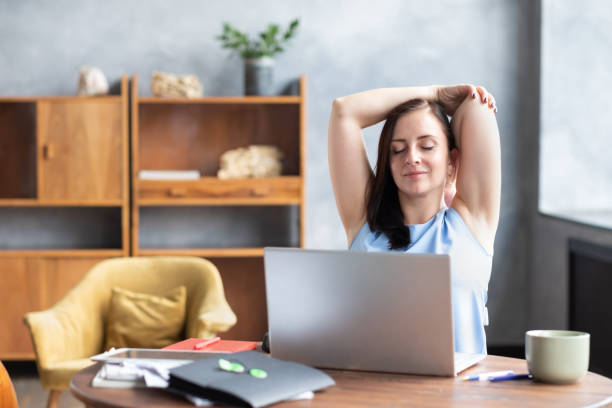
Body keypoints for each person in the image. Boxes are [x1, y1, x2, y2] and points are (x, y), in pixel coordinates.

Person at [328, 85, 500, 354]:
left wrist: (445, 103)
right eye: (397, 150)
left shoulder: (471, 222)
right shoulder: (365, 224)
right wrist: (436, 93)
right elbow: (344, 111)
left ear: (452, 162)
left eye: (427, 146)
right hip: (373, 391)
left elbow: (475, 106)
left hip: (460, 393)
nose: (412, 158)